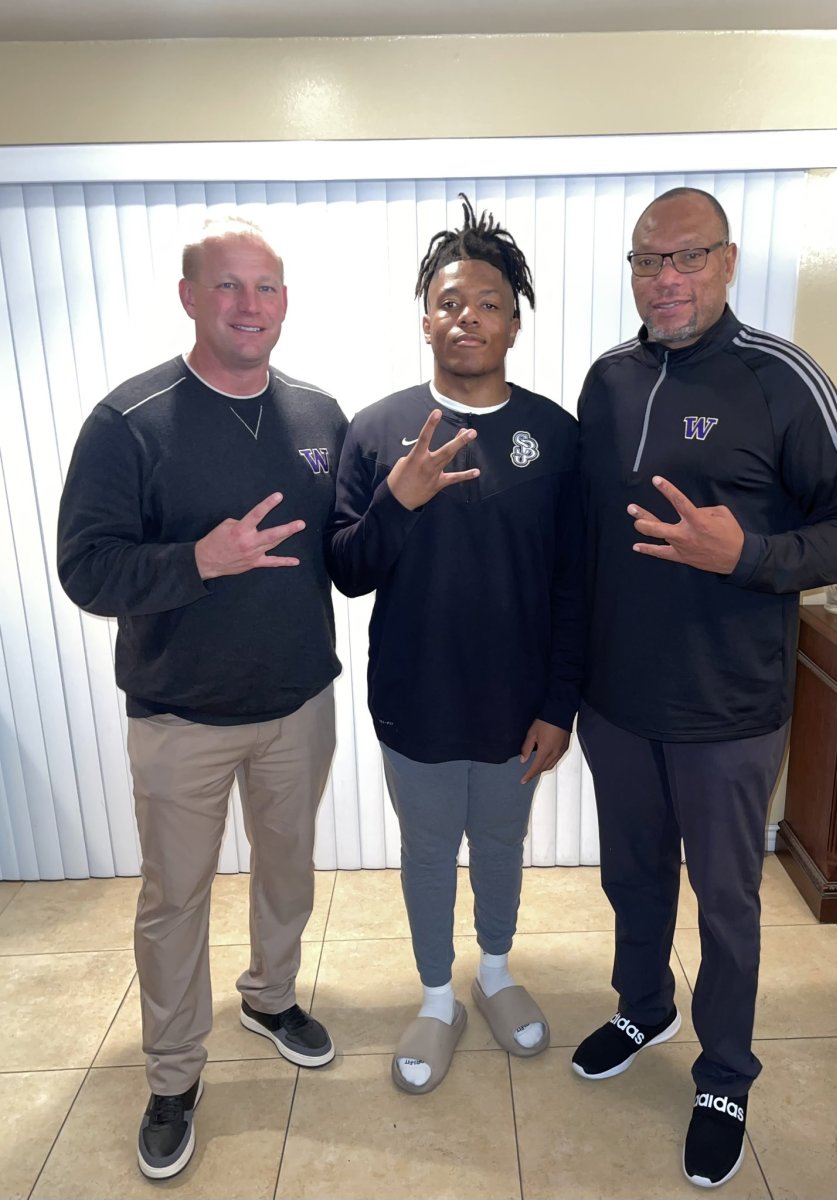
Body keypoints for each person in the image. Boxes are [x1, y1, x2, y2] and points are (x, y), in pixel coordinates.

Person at [574, 187, 837, 1188]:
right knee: (631, 878)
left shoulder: (780, 379)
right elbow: (583, 543)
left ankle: (723, 1071)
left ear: (727, 261)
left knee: (725, 902)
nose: (664, 279)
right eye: (646, 261)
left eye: (686, 258)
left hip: (727, 711)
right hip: (616, 705)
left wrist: (747, 552)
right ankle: (642, 1003)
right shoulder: (607, 381)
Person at [57, 216, 347, 1181]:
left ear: (285, 301)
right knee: (173, 900)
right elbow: (85, 570)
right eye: (227, 287)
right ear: (190, 296)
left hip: (298, 704)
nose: (248, 305)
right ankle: (174, 1076)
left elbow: (342, 553)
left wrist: (409, 511)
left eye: (265, 287)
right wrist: (198, 560)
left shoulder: (318, 415)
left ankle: (269, 998)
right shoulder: (129, 421)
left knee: (288, 874)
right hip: (180, 716)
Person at [329, 196, 583, 1094]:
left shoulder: (554, 434)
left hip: (519, 705)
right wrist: (395, 500)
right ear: (424, 318)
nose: (464, 315)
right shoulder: (374, 427)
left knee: (503, 845)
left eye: (485, 301)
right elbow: (347, 570)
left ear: (514, 320)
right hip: (415, 695)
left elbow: (572, 583)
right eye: (447, 300)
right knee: (431, 849)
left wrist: (560, 704)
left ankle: (498, 972)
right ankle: (437, 996)